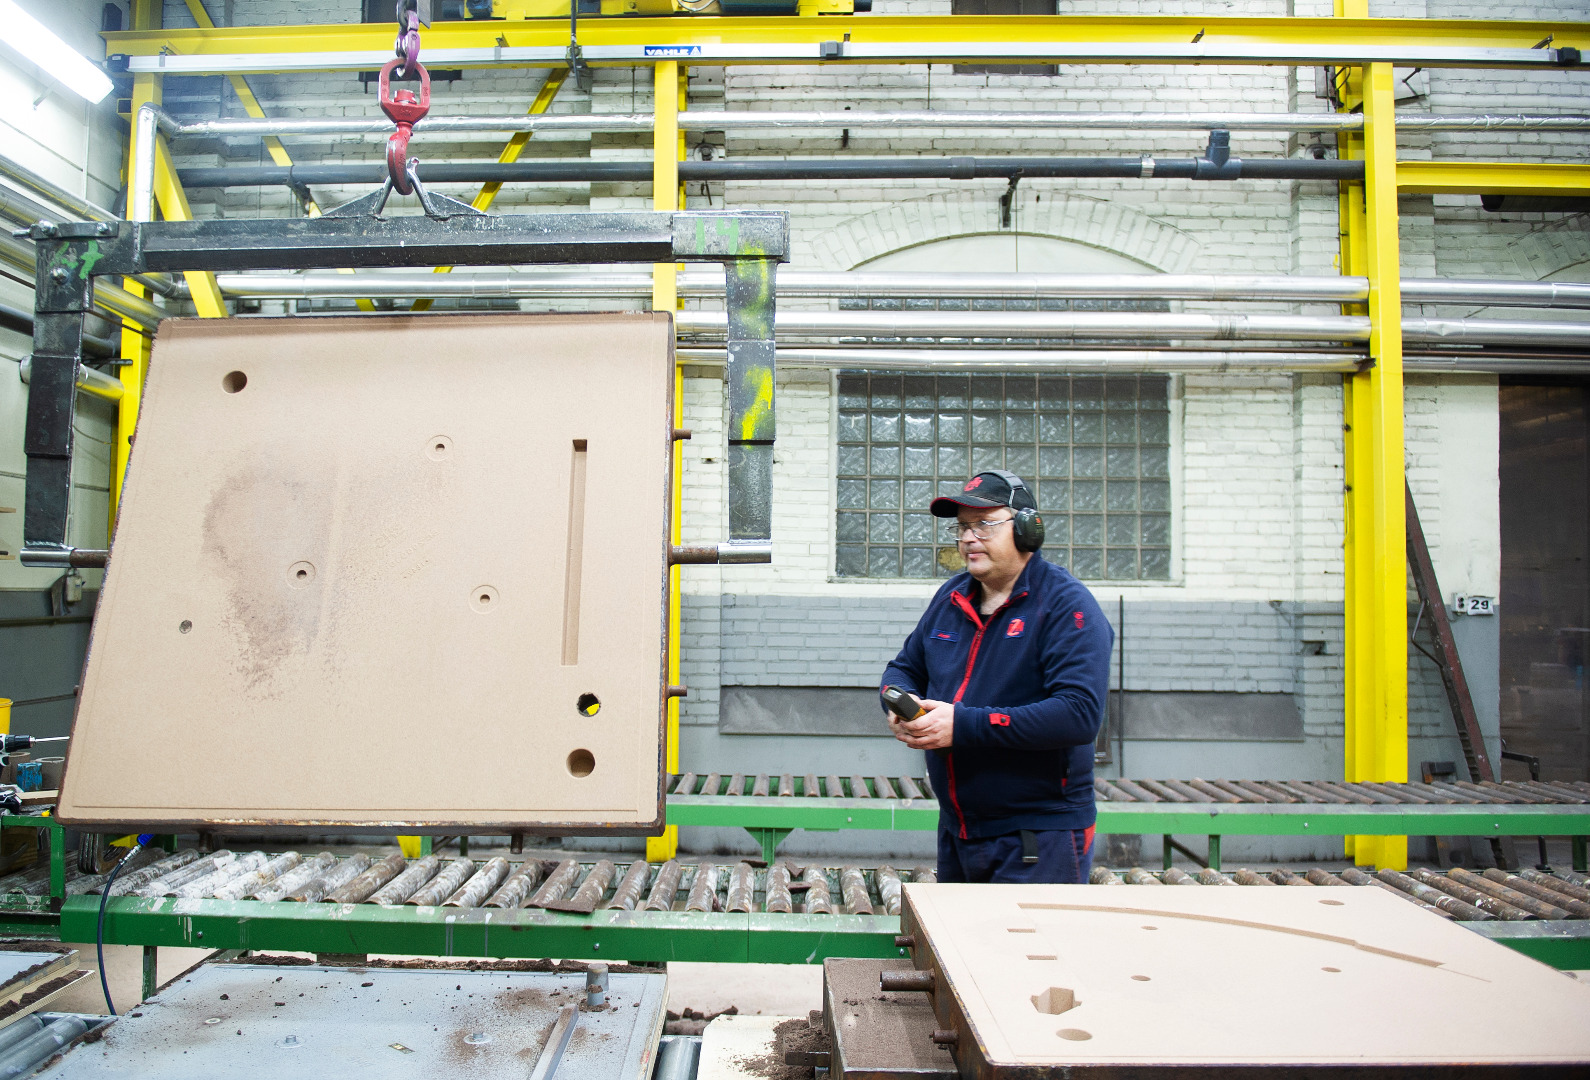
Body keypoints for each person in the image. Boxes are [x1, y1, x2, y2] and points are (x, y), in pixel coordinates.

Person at [880, 469, 1113, 884]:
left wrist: (962, 725)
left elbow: (1079, 715)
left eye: (985, 524)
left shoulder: (1066, 606)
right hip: (958, 830)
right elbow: (904, 668)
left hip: (1038, 837)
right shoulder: (951, 597)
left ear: (1026, 528)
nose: (969, 538)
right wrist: (901, 702)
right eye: (962, 527)